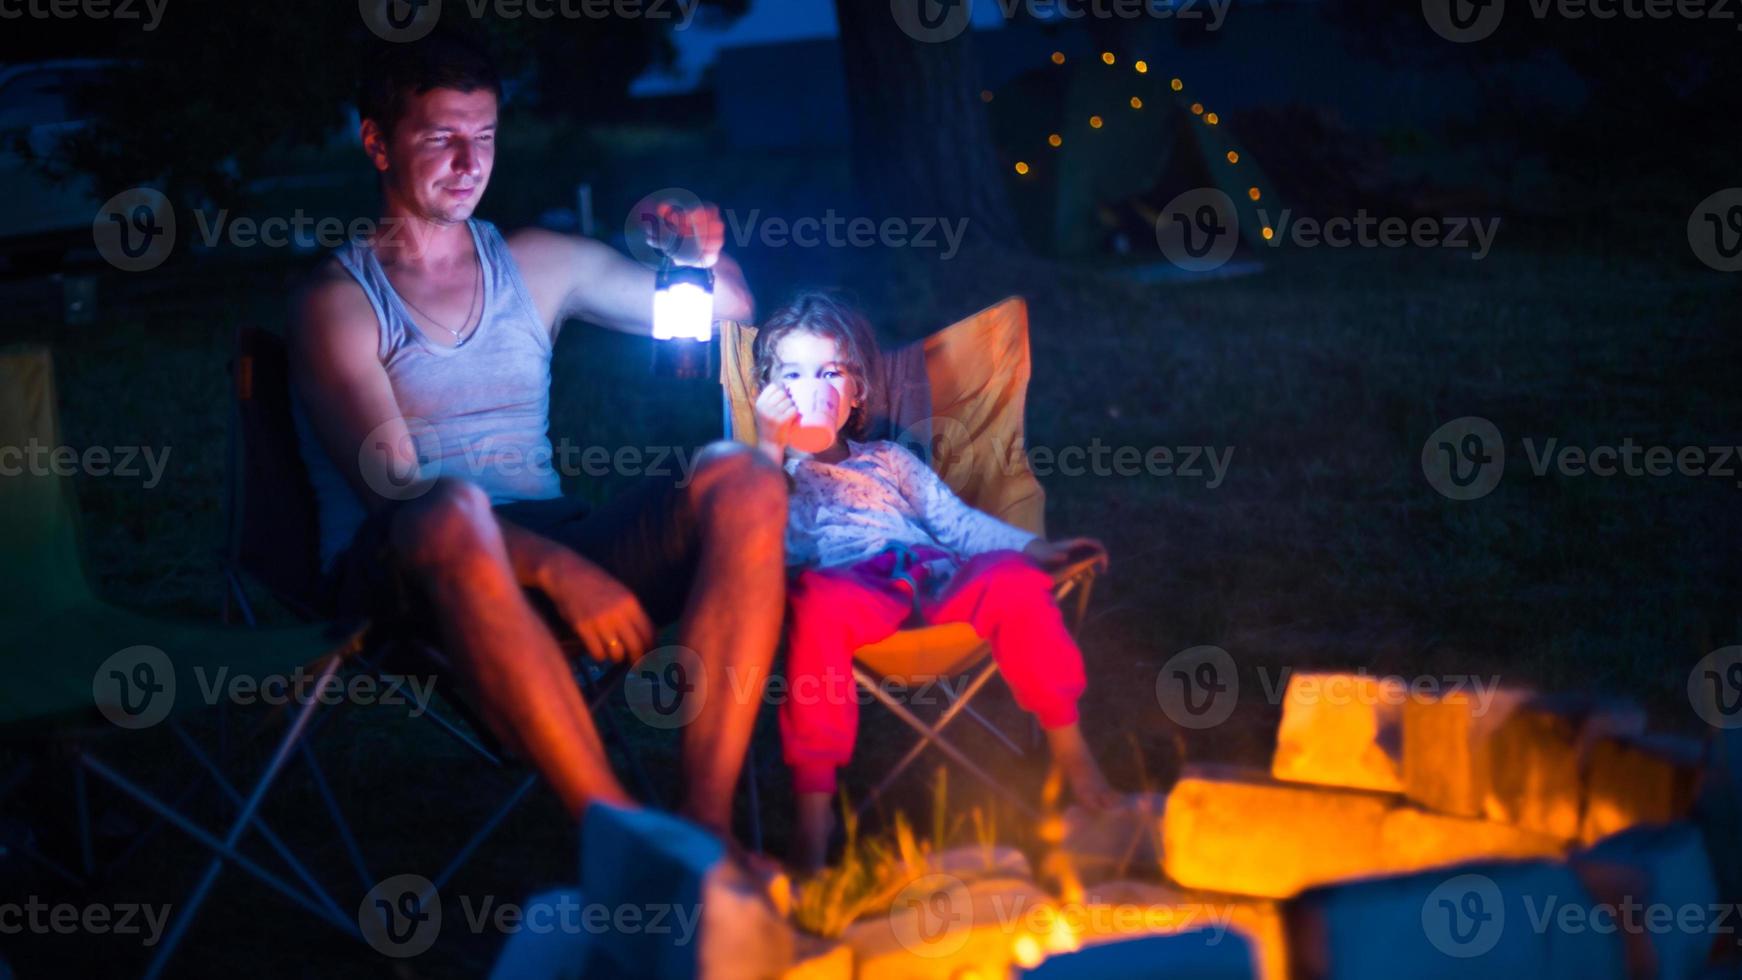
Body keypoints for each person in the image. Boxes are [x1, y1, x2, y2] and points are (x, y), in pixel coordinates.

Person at [290, 31, 786, 841]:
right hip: (404, 571)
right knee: (448, 507)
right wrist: (560, 572)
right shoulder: (337, 302)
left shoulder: (540, 263)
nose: (467, 161)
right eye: (439, 136)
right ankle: (624, 839)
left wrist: (697, 255)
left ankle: (705, 832)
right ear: (376, 142)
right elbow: (397, 496)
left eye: (482, 137)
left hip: (546, 527)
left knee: (745, 477)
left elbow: (732, 308)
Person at [751, 290, 1119, 872]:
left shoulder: (890, 460)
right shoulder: (763, 474)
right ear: (766, 394)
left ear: (855, 394)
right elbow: (754, 537)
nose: (810, 387)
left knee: (1009, 578)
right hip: (848, 591)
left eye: (829, 372)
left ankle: (1071, 752)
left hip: (934, 576)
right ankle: (813, 818)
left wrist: (1036, 550)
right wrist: (768, 447)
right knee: (812, 604)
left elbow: (957, 524)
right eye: (790, 374)